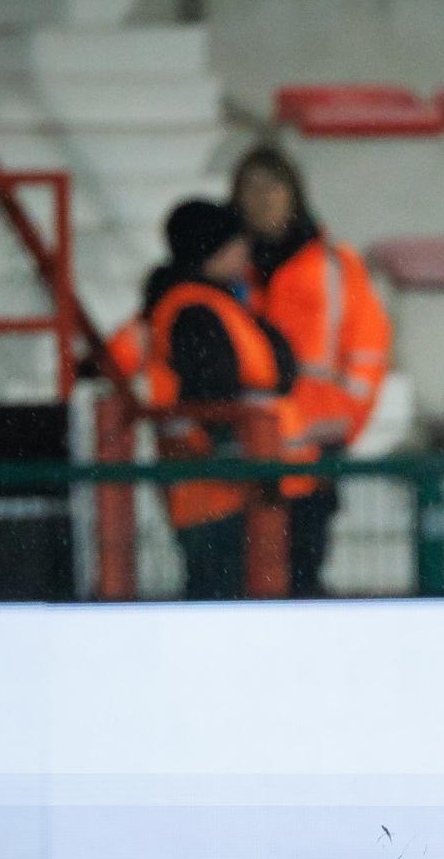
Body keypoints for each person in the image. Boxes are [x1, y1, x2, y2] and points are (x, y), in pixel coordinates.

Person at [231, 145, 393, 597]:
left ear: (294, 194)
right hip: (244, 449)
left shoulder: (335, 265)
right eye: (251, 187)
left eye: (273, 186)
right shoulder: (227, 268)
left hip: (314, 449)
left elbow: (369, 350)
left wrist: (340, 427)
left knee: (303, 578)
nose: (263, 198)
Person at [140, 200, 298, 600]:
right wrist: (234, 455)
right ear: (211, 251)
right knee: (222, 601)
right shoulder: (196, 310)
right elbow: (215, 394)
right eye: (234, 243)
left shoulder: (217, 303)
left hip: (228, 490)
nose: (245, 251)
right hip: (216, 493)